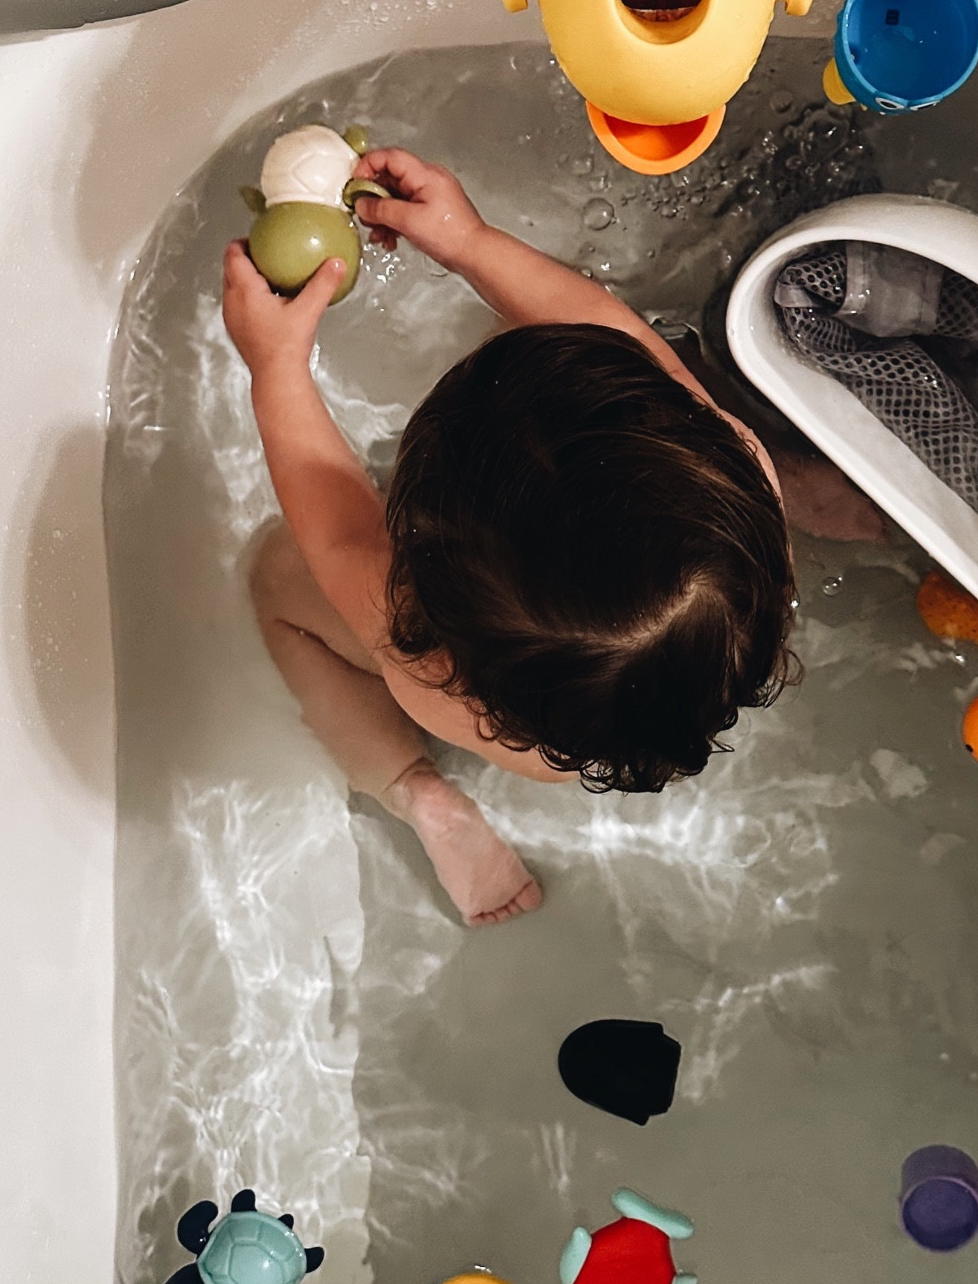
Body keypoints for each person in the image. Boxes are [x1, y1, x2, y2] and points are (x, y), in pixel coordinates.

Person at [223, 146, 797, 927]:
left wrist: (275, 365)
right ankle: (828, 502)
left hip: (507, 731)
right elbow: (613, 336)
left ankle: (416, 792)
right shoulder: (740, 471)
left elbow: (335, 529)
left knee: (280, 579)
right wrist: (468, 240)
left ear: (420, 549)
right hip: (653, 686)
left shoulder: (428, 658)